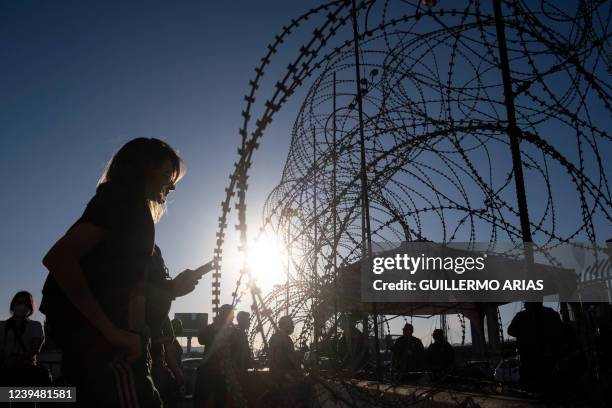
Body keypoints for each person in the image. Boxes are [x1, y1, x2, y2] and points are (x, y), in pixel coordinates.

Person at [40, 138, 210, 407]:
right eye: (166, 175)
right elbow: (60, 258)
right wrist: (114, 333)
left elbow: (123, 285)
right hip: (111, 354)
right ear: (143, 169)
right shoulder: (125, 203)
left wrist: (170, 289)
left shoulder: (126, 209)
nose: (172, 185)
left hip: (110, 349)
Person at [194, 304, 244, 408]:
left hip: (222, 374)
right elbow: (201, 339)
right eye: (232, 315)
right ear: (224, 315)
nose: (233, 317)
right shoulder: (212, 328)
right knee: (201, 401)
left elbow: (236, 350)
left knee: (220, 402)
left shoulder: (233, 331)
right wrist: (215, 329)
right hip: (208, 372)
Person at [508, 302, 564, 394]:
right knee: (550, 386)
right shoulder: (550, 313)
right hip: (547, 357)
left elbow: (511, 331)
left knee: (531, 390)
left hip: (528, 358)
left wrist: (523, 333)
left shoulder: (521, 316)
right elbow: (560, 331)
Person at [0, 291, 49, 386]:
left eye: (26, 304)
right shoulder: (2, 325)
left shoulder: (35, 325)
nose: (22, 306)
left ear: (31, 308)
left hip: (27, 372)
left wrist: (14, 361)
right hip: (4, 370)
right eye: (19, 303)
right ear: (13, 305)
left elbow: (35, 350)